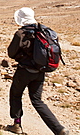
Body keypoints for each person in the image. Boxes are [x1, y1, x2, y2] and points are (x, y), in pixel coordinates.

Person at [7, 7, 69, 135]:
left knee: (15, 94)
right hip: (40, 71)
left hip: (24, 71)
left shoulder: (21, 34)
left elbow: (11, 53)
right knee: (37, 100)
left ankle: (16, 125)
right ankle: (59, 129)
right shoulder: (43, 31)